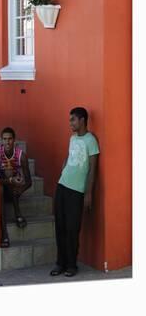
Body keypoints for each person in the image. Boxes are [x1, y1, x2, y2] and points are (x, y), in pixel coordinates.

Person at [50, 107, 99, 277]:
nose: (70, 123)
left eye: (73, 120)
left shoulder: (91, 140)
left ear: (82, 120)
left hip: (77, 191)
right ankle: (60, 263)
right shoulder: (72, 138)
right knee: (60, 227)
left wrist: (88, 193)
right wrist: (63, 172)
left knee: (72, 229)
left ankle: (72, 265)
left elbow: (93, 168)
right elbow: (68, 156)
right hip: (62, 186)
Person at [0, 127, 32, 248]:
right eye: (4, 139)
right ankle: (4, 232)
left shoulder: (21, 155)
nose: (7, 142)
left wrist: (20, 189)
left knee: (14, 184)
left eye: (9, 139)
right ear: (1, 140)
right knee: (1, 189)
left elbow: (29, 181)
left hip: (13, 189)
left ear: (14, 140)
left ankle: (18, 213)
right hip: (1, 186)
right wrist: (9, 180)